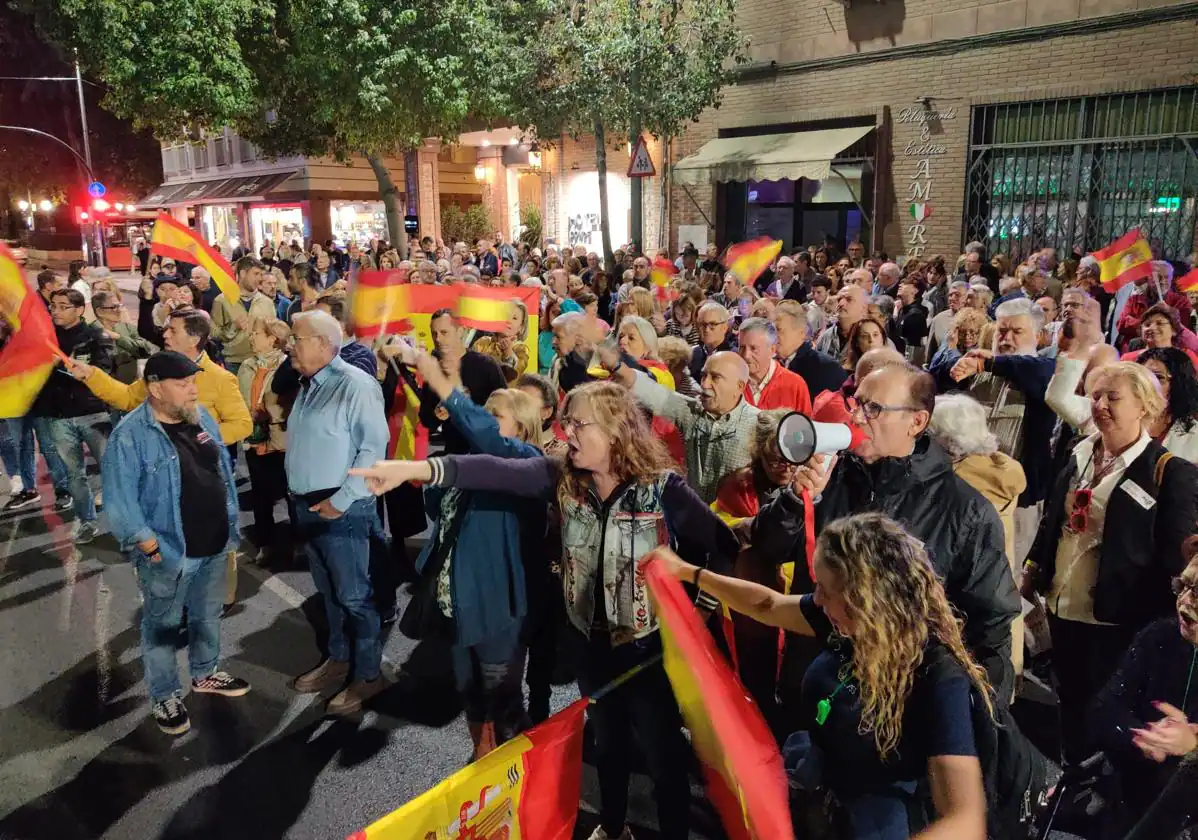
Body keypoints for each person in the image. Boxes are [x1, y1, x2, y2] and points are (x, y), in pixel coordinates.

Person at [350, 380, 739, 840]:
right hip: (593, 650)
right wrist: (412, 468)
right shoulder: (562, 479)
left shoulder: (663, 490)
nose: (565, 431)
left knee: (663, 757)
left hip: (649, 655)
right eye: (565, 421)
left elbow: (723, 546)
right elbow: (490, 469)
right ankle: (614, 831)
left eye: (577, 424)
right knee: (610, 745)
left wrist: (698, 615)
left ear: (615, 431)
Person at [654, 513, 991, 839]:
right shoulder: (845, 624)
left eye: (827, 592)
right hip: (818, 787)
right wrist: (688, 573)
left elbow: (964, 819)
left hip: (872, 819)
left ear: (867, 600)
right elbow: (767, 606)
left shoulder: (940, 679)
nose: (816, 601)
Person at [753, 362, 1020, 702]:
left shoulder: (964, 510)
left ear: (917, 421)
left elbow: (990, 622)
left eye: (874, 408)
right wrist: (795, 499)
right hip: (812, 683)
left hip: (897, 703)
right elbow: (766, 549)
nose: (857, 418)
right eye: (856, 403)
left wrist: (983, 717)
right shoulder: (830, 475)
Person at [1024, 362, 1198, 763]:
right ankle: (1073, 773)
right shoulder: (1080, 452)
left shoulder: (1169, 472)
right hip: (1064, 604)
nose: (1100, 404)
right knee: (1067, 695)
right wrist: (1034, 566)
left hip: (1119, 616)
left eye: (1112, 397)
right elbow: (1053, 518)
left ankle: (1106, 784)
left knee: (1108, 705)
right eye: (1096, 395)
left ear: (1144, 406)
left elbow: (1178, 557)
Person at [101, 351, 249, 736]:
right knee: (162, 625)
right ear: (155, 389)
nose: (192, 391)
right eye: (183, 385)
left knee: (206, 616)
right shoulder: (130, 435)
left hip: (215, 543)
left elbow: (220, 473)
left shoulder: (203, 419)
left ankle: (205, 673)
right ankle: (165, 694)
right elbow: (120, 502)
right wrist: (150, 546)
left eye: (193, 383)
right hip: (170, 552)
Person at [410, 349, 543, 758]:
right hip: (457, 607)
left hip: (497, 611)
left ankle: (511, 772)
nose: (484, 421)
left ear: (521, 429)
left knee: (501, 697)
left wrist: (442, 384)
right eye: (485, 412)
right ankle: (483, 758)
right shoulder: (471, 464)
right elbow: (438, 514)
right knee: (469, 693)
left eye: (496, 414)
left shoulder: (528, 464)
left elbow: (488, 438)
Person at [286, 310, 391, 715]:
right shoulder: (308, 384)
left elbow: (372, 451)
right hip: (309, 506)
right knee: (329, 594)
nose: (290, 345)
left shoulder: (357, 385)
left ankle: (368, 676)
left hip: (340, 507)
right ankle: (339, 658)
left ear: (324, 344)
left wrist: (340, 501)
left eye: (297, 339)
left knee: (354, 596)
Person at [1092, 545, 1198, 837]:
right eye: (1183, 585)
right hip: (1133, 801)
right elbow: (1105, 707)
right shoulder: (1159, 637)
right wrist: (1143, 736)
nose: (1184, 601)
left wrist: (1193, 745)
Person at [929, 393, 1028, 682]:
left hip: (965, 616)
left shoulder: (961, 487)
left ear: (946, 441)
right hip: (1000, 609)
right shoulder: (998, 469)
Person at [951, 297, 1056, 563]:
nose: (1006, 338)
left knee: (1006, 570)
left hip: (1018, 497)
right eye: (1001, 330)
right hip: (969, 488)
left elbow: (1037, 372)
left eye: (1016, 332)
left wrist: (988, 363)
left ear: (1039, 335)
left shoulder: (1046, 371)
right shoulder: (980, 366)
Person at [606, 346, 758, 503]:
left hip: (736, 524)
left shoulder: (758, 424)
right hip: (694, 517)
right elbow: (653, 393)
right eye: (703, 376)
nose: (705, 384)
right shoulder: (690, 412)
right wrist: (617, 366)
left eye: (715, 377)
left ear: (739, 387)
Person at [30, 289, 116, 542]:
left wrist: (63, 365)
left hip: (93, 413)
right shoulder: (44, 337)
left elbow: (102, 371)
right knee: (74, 474)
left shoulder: (95, 336)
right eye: (53, 306)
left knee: (111, 470)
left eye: (63, 306)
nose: (55, 311)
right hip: (58, 417)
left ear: (79, 309)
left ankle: (126, 522)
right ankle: (87, 521)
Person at [237, 318, 292, 564]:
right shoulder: (247, 365)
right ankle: (265, 543)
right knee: (260, 494)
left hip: (281, 439)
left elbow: (292, 402)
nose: (251, 337)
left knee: (290, 492)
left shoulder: (288, 366)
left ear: (273, 339)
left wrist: (268, 415)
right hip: (254, 437)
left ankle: (296, 544)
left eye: (256, 333)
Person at [419, 309, 507, 454]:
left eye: (444, 332)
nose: (438, 339)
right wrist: (436, 414)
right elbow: (426, 419)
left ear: (460, 331)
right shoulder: (434, 370)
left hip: (487, 452)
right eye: (434, 333)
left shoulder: (486, 365)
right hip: (453, 453)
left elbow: (507, 407)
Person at [210, 256, 274, 374]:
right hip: (234, 363)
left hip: (261, 361)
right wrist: (233, 327)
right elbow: (213, 334)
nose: (259, 278)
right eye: (256, 274)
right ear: (243, 273)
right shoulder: (222, 301)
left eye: (261, 275)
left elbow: (273, 331)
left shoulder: (267, 302)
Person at [736, 317, 813, 413]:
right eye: (742, 347)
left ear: (772, 350)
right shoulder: (730, 381)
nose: (746, 355)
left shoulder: (795, 385)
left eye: (753, 348)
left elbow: (804, 426)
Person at [774, 300, 846, 398]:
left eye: (779, 330)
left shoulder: (827, 369)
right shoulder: (767, 363)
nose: (773, 336)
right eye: (771, 330)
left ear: (801, 333)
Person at [1139, 347, 1198, 462]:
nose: (1148, 384)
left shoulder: (1194, 435)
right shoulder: (1120, 423)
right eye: (1143, 376)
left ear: (1178, 384)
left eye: (1158, 377)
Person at [91, 290, 157, 385]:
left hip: (129, 387)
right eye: (113, 307)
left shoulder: (127, 328)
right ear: (99, 311)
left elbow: (148, 350)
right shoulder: (90, 333)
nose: (119, 310)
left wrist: (119, 338)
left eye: (119, 306)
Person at [1120, 302, 1198, 368]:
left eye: (1159, 323)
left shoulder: (1186, 356)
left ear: (1173, 330)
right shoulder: (1127, 360)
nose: (1152, 328)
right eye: (1147, 325)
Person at [472, 299, 531, 380]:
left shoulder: (522, 349)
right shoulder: (483, 342)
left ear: (521, 327)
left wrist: (508, 352)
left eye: (514, 318)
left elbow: (512, 376)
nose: (508, 321)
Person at [815, 284, 868, 358]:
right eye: (839, 299)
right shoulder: (826, 335)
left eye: (849, 299)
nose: (841, 303)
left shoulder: (874, 337)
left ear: (864, 308)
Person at [687, 301, 736, 382]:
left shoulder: (733, 357)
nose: (706, 329)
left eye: (712, 324)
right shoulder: (693, 353)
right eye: (702, 324)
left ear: (724, 327)